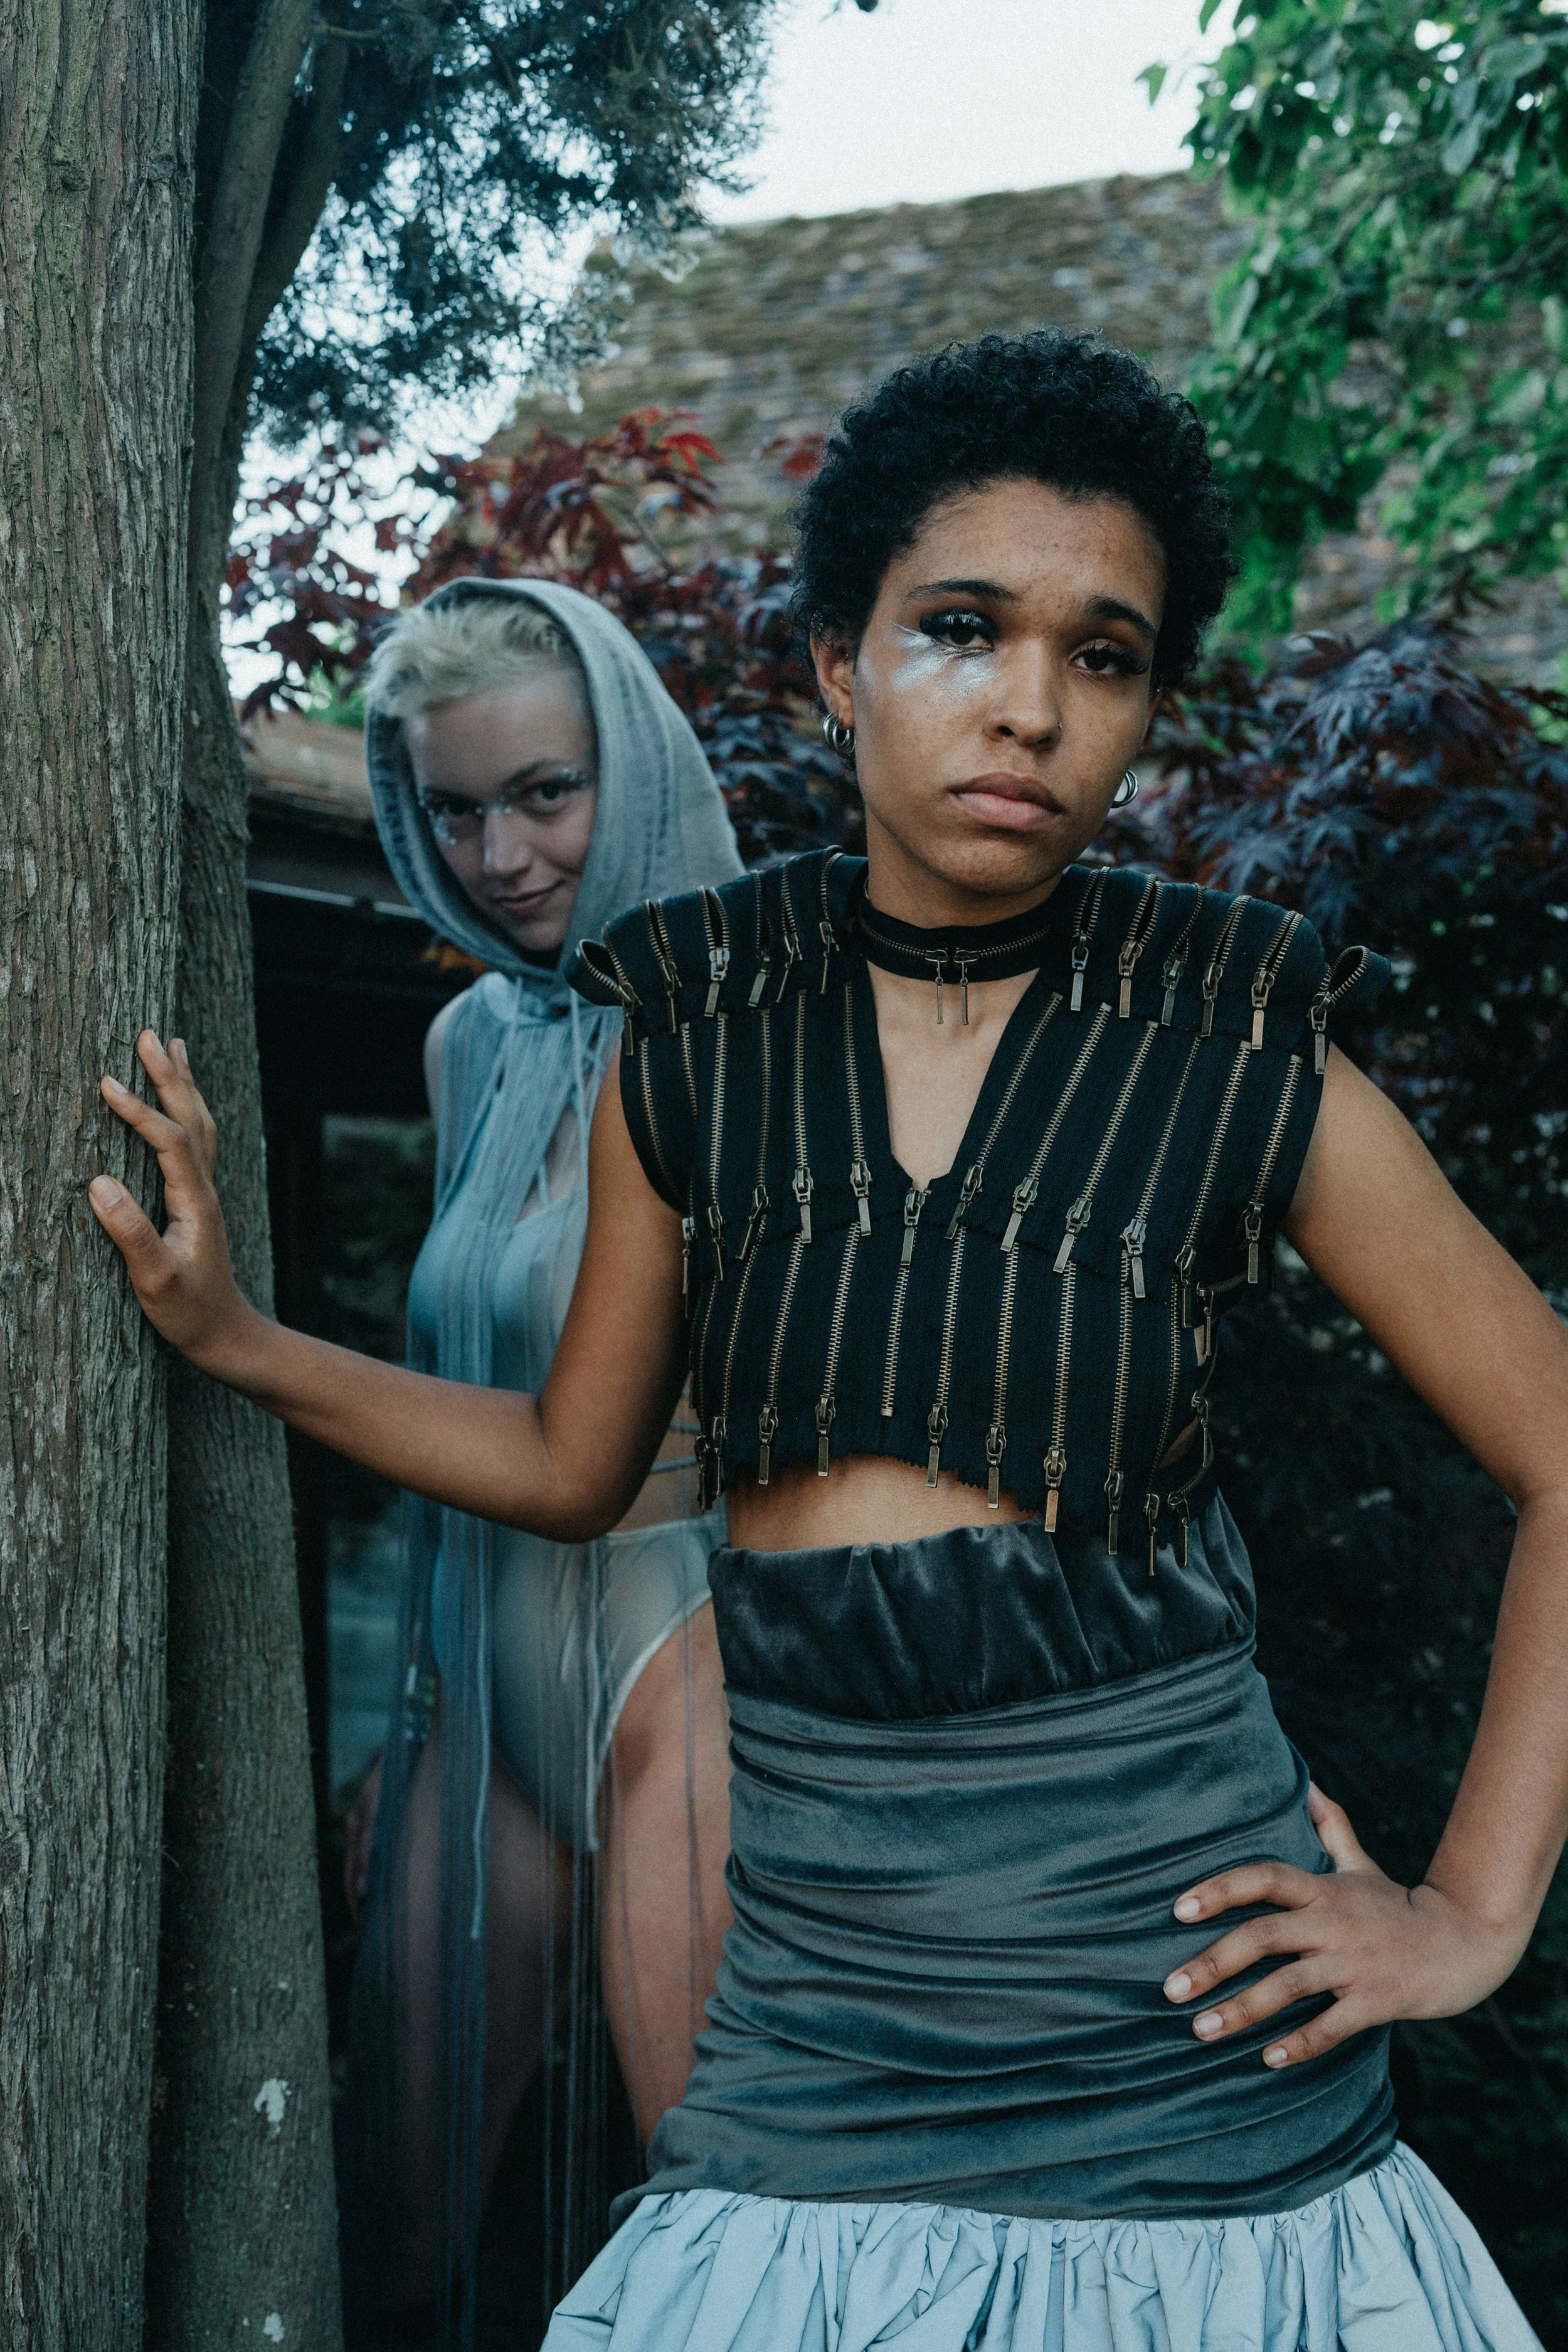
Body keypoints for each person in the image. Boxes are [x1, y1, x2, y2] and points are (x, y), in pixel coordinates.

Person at [91, 334, 1566, 2351]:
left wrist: (1465, 1913)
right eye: (960, 627)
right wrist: (240, 1337)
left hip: (1190, 2052)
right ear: (833, 666)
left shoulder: (1235, 1047)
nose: (1029, 704)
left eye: (1105, 654)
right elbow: (573, 1463)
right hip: (818, 2031)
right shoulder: (694, 1032)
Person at [335, 579, 741, 2346]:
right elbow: (453, 1404)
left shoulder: (748, 1027)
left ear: (629, 768)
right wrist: (406, 1714)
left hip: (682, 1673)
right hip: (483, 1699)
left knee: (712, 2216)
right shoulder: (469, 1046)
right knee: (391, 2211)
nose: (498, 856)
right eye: (453, 808)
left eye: (544, 794)